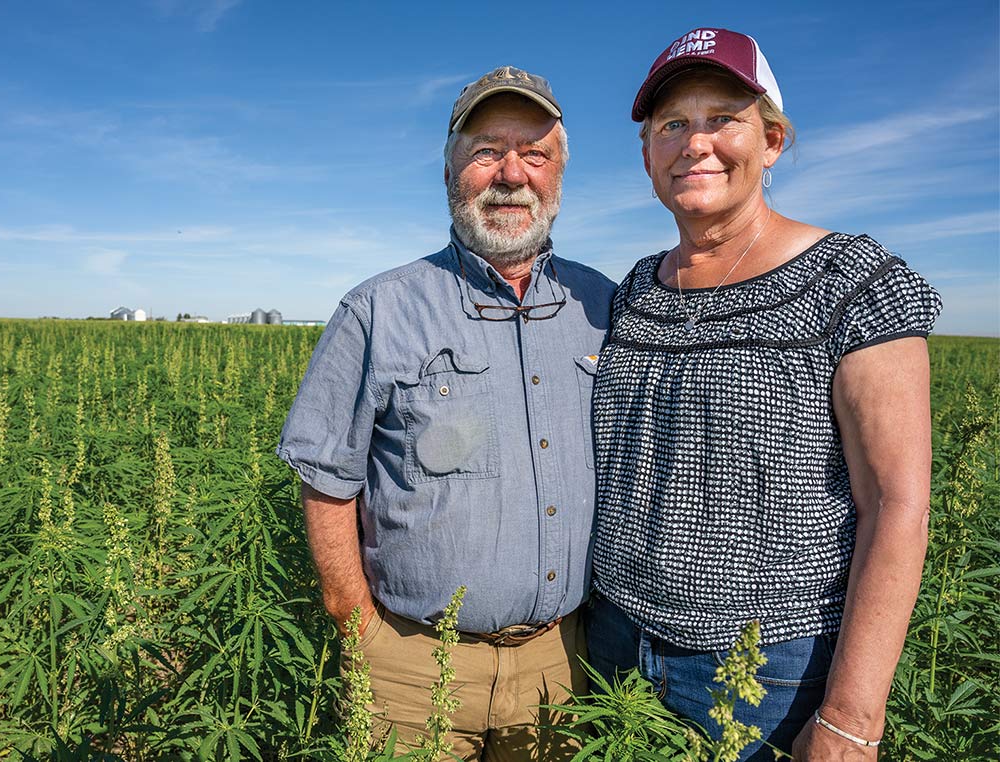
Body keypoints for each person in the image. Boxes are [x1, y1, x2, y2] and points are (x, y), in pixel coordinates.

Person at [587, 27, 941, 761]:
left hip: (765, 670)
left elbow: (898, 503)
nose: (696, 143)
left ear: (773, 141)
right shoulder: (632, 292)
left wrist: (850, 718)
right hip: (613, 644)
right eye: (673, 125)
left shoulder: (853, 281)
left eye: (724, 119)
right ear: (648, 154)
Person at [277, 65, 615, 760]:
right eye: (486, 150)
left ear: (558, 176)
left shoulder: (603, 308)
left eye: (536, 153)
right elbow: (326, 478)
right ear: (449, 170)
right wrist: (356, 623)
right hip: (410, 666)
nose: (511, 173)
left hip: (564, 665)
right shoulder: (379, 309)